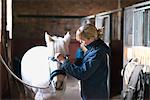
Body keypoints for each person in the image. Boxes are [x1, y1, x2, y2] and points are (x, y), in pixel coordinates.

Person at [55, 23, 110, 100]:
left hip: (95, 95)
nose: (81, 43)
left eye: (82, 40)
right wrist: (79, 54)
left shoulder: (97, 53)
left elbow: (82, 73)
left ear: (91, 38)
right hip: (91, 93)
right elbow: (81, 65)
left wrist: (63, 61)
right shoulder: (92, 49)